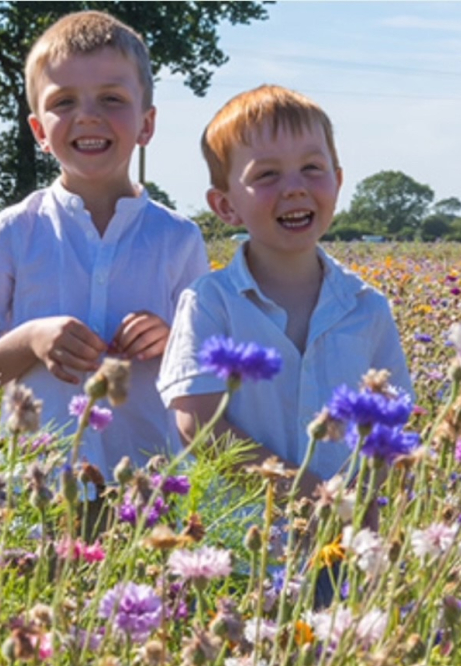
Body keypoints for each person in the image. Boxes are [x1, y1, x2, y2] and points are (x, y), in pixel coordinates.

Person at [0, 11, 208, 477]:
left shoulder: (178, 239)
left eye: (111, 98)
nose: (88, 115)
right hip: (37, 484)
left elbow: (209, 372)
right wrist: (29, 340)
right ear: (40, 131)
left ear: (146, 125)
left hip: (147, 484)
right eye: (64, 101)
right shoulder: (14, 231)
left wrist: (171, 343)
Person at [158, 84, 414, 494]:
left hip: (345, 538)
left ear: (338, 180)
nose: (294, 187)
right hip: (240, 544)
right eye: (267, 175)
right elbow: (197, 422)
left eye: (312, 168)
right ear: (225, 206)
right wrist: (311, 496)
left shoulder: (367, 308)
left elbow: (390, 426)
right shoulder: (210, 302)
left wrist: (356, 507)